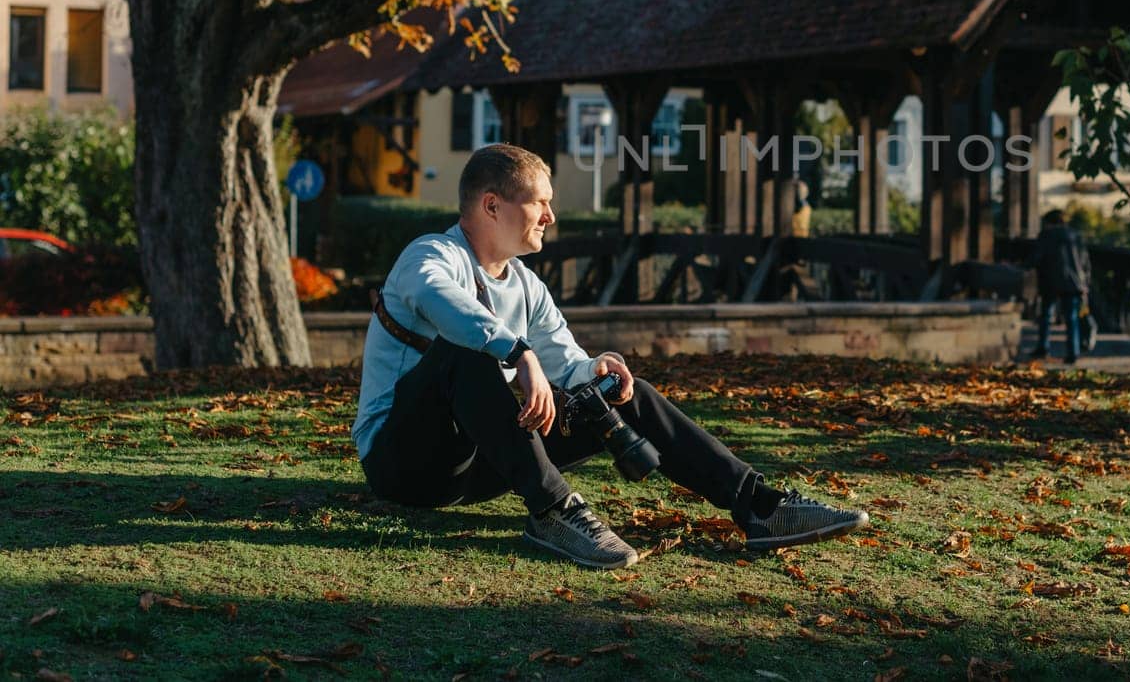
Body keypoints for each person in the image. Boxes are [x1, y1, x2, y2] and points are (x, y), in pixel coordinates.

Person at [352, 144, 869, 569]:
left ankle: (758, 507)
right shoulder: (431, 256)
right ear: (492, 206)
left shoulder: (528, 286)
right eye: (540, 203)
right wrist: (517, 351)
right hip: (403, 463)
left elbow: (563, 358)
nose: (552, 216)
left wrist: (593, 371)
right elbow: (438, 300)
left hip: (480, 465)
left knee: (623, 392)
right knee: (464, 357)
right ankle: (553, 511)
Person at [1025, 209, 1092, 362]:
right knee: (1071, 318)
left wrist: (1024, 266)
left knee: (1046, 315)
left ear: (1049, 222)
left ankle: (1043, 348)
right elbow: (1086, 261)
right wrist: (1085, 282)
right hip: (1074, 283)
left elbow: (1037, 257)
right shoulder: (1076, 235)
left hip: (1051, 282)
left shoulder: (1046, 235)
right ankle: (1073, 352)